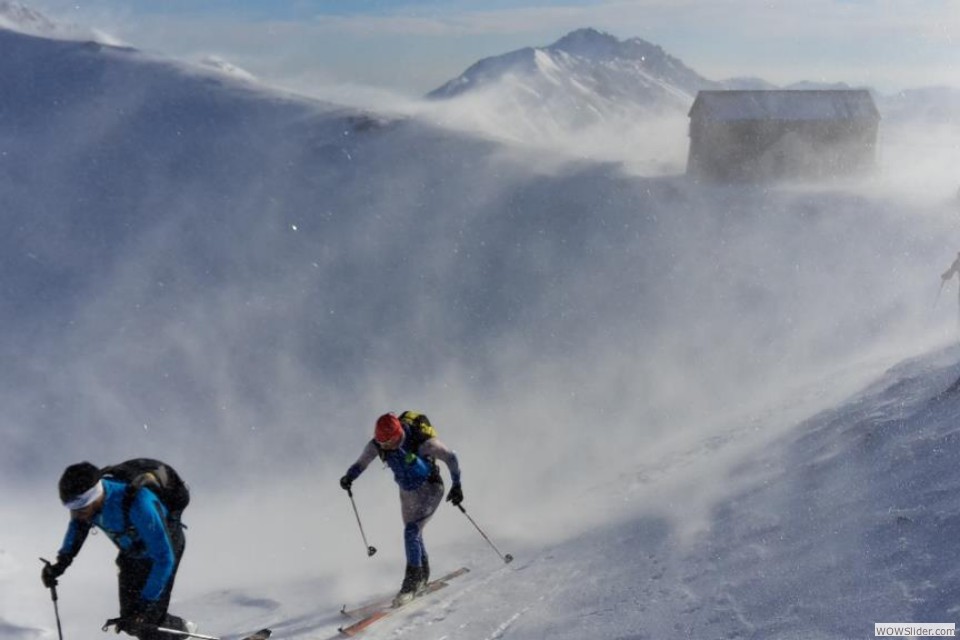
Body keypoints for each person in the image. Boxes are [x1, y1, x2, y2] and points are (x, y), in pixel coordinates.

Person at [41, 462, 193, 639]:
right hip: (132, 554)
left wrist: (145, 604)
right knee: (130, 623)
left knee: (148, 624)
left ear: (94, 495)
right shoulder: (86, 509)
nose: (76, 514)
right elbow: (77, 529)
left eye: (79, 505)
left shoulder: (138, 503)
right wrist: (61, 564)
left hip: (164, 549)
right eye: (70, 507)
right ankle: (179, 630)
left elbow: (164, 559)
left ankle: (184, 633)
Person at [340, 411, 463, 606]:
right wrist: (350, 477)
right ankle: (422, 575)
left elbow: (451, 457)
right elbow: (362, 462)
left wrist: (457, 485)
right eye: (382, 443)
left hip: (431, 488)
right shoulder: (378, 444)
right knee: (415, 533)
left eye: (388, 442)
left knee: (411, 531)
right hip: (408, 492)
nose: (384, 447)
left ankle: (412, 583)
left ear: (397, 434)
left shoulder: (423, 443)